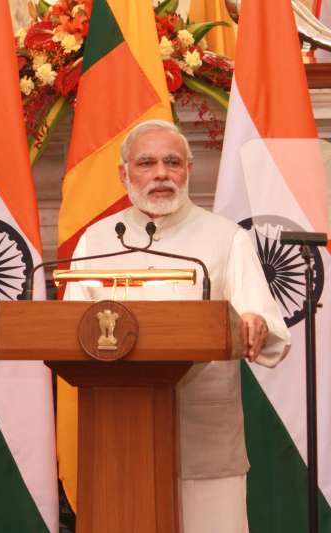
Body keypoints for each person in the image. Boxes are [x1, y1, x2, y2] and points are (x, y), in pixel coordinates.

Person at [63, 119, 290, 533]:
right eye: (146, 163)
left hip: (204, 437)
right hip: (120, 438)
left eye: (172, 162)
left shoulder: (226, 238)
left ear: (189, 169)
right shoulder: (96, 242)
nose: (161, 174)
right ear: (124, 173)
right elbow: (70, 335)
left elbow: (265, 327)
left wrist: (253, 323)